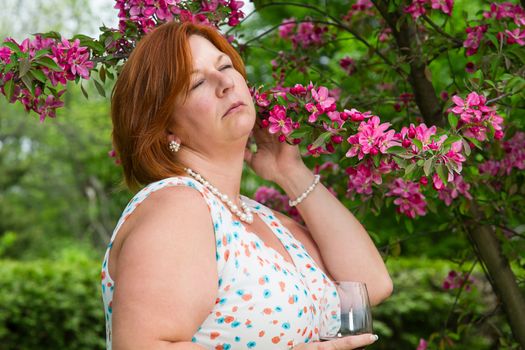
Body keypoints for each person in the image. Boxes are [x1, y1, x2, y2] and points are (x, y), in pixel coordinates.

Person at [100, 20, 393, 350]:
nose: (224, 82)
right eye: (196, 83)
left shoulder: (260, 218)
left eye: (225, 65)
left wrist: (290, 172)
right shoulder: (178, 206)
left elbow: (370, 285)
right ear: (167, 127)